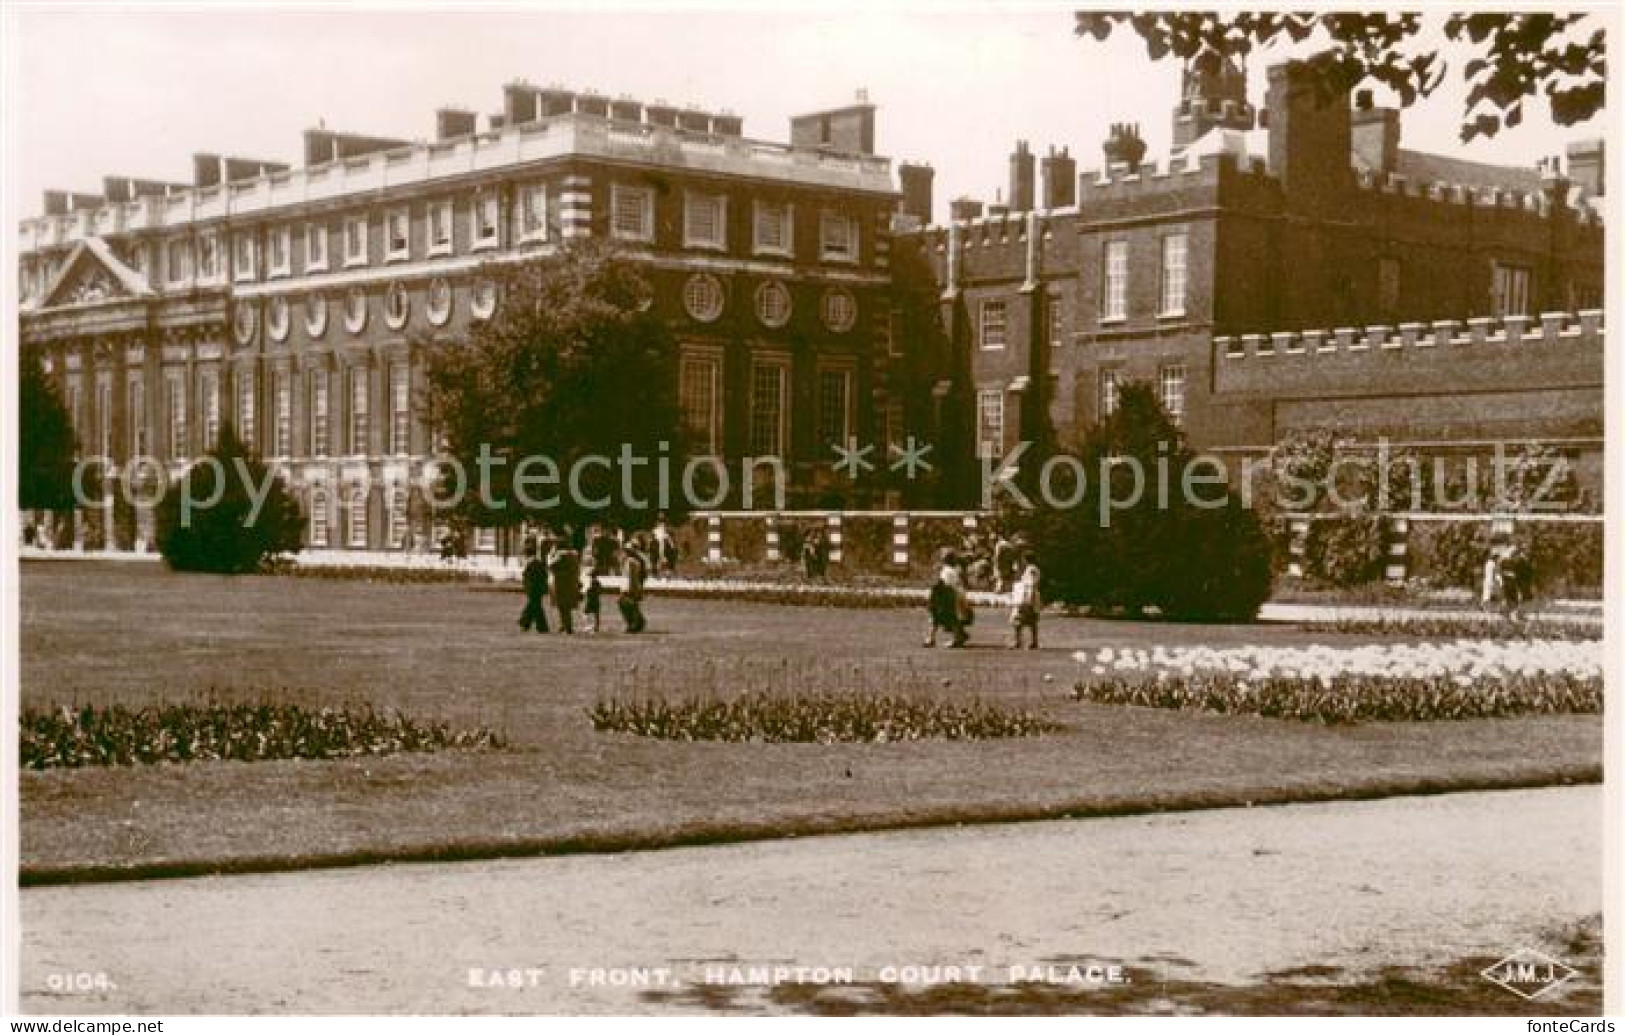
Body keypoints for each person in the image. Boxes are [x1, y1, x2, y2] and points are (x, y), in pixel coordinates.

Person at [924, 549, 968, 648]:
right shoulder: (953, 570)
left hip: (946, 597)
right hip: (950, 596)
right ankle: (932, 638)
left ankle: (955, 638)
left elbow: (944, 585)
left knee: (944, 618)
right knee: (940, 618)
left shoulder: (947, 571)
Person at [548, 538, 582, 634]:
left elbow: (551, 565)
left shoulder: (560, 555)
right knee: (566, 606)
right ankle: (565, 625)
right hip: (571, 583)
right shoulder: (574, 556)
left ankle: (567, 627)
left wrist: (551, 554)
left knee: (562, 606)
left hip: (561, 583)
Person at [517, 538, 550, 634]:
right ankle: (530, 624)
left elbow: (536, 577)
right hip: (535, 589)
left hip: (535, 589)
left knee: (534, 606)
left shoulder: (534, 563)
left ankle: (526, 623)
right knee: (536, 607)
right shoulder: (535, 563)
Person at [1009, 554, 1042, 649]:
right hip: (1029, 597)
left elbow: (1032, 584)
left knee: (1017, 620)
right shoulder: (1032, 569)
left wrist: (1029, 599)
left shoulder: (1031, 569)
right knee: (1031, 622)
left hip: (1027, 598)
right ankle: (1033, 642)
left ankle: (1018, 642)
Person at [620, 541, 649, 633]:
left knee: (625, 603)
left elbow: (631, 576)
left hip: (632, 586)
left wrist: (628, 588)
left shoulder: (632, 561)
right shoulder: (638, 560)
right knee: (632, 605)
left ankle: (633, 624)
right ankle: (638, 622)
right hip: (635, 585)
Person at [1498, 542, 1532, 621]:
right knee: (1514, 600)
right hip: (1509, 583)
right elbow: (1503, 572)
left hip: (1512, 583)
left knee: (1515, 600)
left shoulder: (1516, 561)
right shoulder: (1508, 562)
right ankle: (1512, 615)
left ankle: (1510, 614)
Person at [583, 565, 604, 634]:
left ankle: (589, 626)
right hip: (596, 600)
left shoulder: (592, 582)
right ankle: (596, 626)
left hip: (591, 600)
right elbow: (600, 590)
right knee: (596, 614)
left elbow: (589, 590)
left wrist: (587, 592)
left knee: (586, 612)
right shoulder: (598, 582)